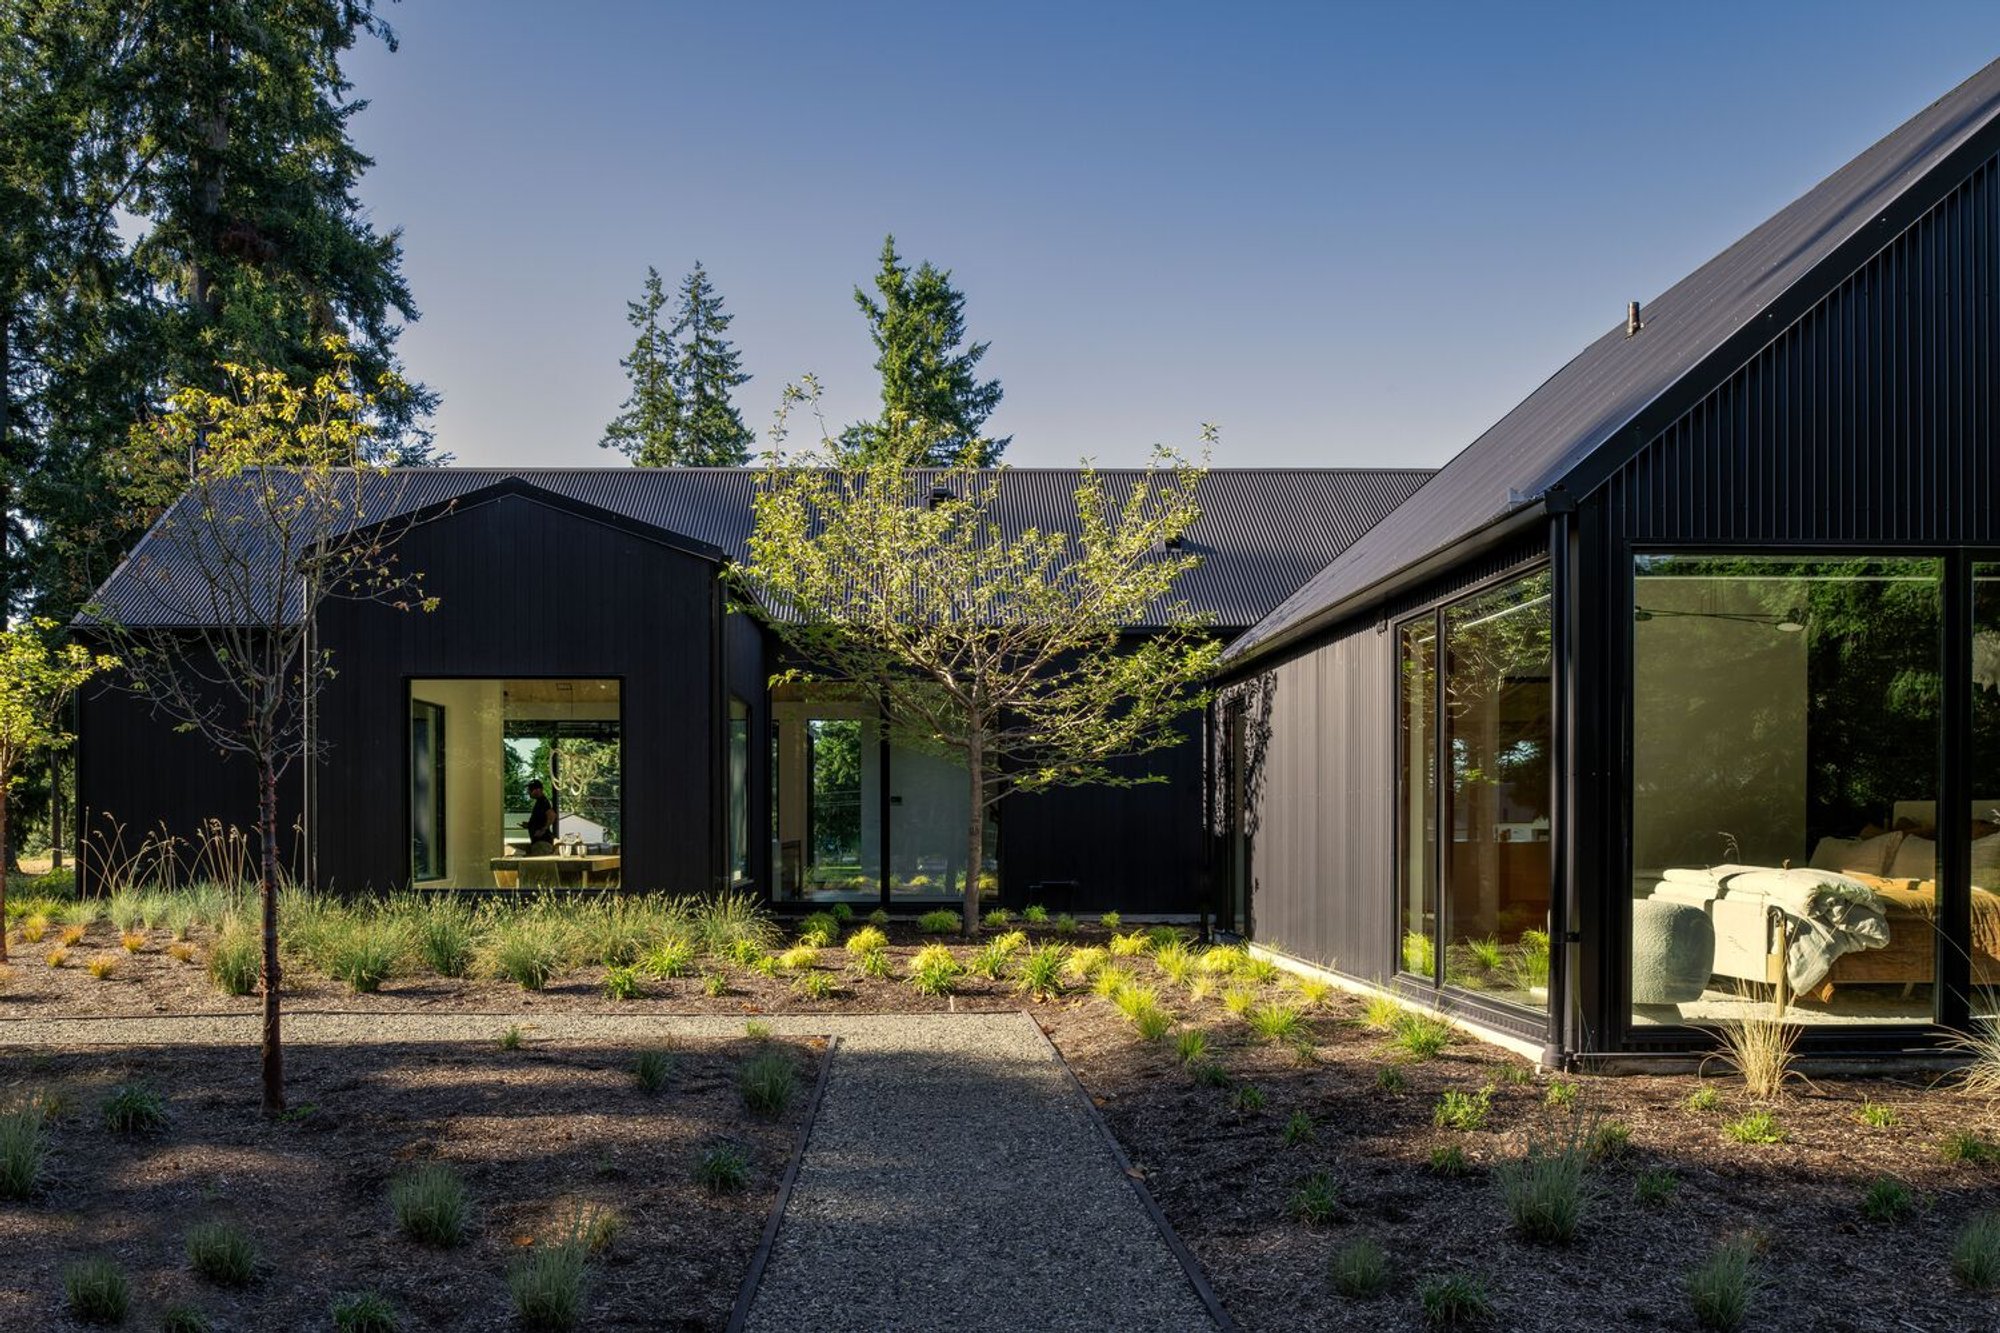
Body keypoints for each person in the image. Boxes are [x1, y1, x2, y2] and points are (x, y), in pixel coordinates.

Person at [525, 779, 557, 854]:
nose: (528, 792)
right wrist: (530, 825)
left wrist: (543, 830)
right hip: (539, 842)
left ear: (537, 790)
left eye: (530, 790)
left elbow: (552, 815)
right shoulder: (540, 802)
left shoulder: (543, 802)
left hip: (542, 843)